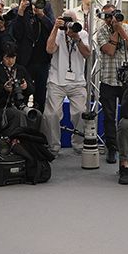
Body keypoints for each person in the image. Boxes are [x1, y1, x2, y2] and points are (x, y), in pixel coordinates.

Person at [45, 9, 94, 151]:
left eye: (71, 21)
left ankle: (78, 144)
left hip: (77, 82)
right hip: (56, 80)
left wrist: (76, 38)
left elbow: (87, 54)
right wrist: (55, 27)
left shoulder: (82, 33)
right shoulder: (58, 33)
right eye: (66, 21)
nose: (69, 24)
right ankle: (53, 146)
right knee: (52, 114)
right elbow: (49, 49)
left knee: (80, 112)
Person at [89, 6, 128, 159]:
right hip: (108, 79)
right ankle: (112, 148)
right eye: (107, 16)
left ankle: (127, 146)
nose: (110, 19)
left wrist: (120, 29)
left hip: (126, 80)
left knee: (127, 114)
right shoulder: (101, 31)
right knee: (109, 116)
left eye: (112, 15)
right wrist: (115, 31)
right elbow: (109, 50)